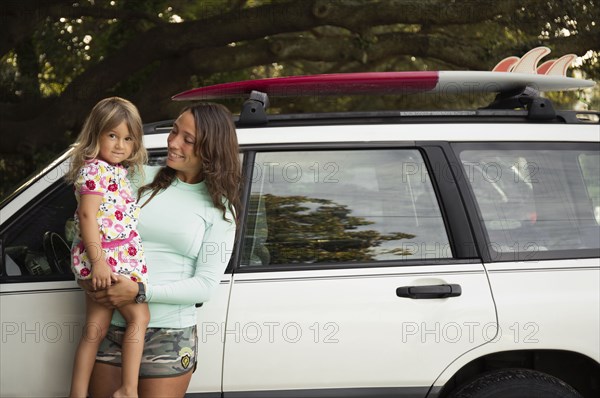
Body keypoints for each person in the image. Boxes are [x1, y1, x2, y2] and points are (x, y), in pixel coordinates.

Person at [82, 102, 241, 397]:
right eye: (174, 131)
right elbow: (88, 218)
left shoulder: (220, 212)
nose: (173, 142)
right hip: (112, 325)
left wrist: (140, 292)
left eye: (187, 139)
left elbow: (204, 286)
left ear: (211, 149)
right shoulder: (137, 177)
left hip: (168, 336)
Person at [66, 97, 150, 398]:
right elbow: (87, 216)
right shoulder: (96, 171)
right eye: (112, 135)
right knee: (140, 318)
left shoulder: (116, 171)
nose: (120, 145)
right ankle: (128, 389)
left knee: (94, 329)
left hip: (110, 257)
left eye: (128, 138)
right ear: (96, 135)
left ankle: (77, 393)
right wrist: (99, 262)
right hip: (107, 259)